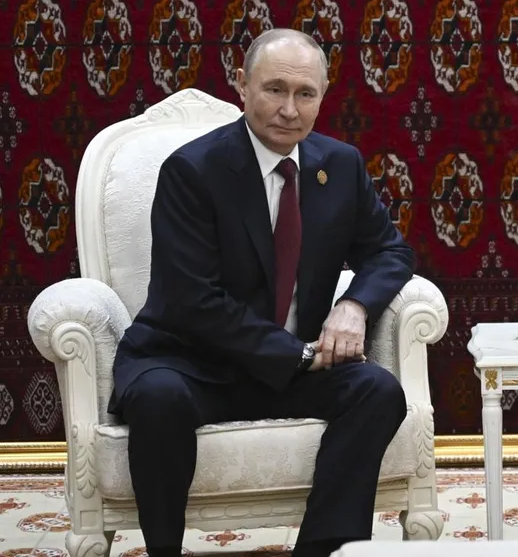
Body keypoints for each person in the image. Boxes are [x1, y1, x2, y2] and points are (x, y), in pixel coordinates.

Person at [109, 28, 416, 557]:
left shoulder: (339, 165)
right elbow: (193, 301)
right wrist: (300, 355)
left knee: (378, 390)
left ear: (322, 96)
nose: (289, 110)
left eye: (305, 94)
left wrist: (354, 305)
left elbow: (391, 252)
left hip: (292, 368)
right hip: (191, 362)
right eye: (275, 89)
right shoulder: (193, 170)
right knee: (158, 399)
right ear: (242, 86)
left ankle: (322, 550)